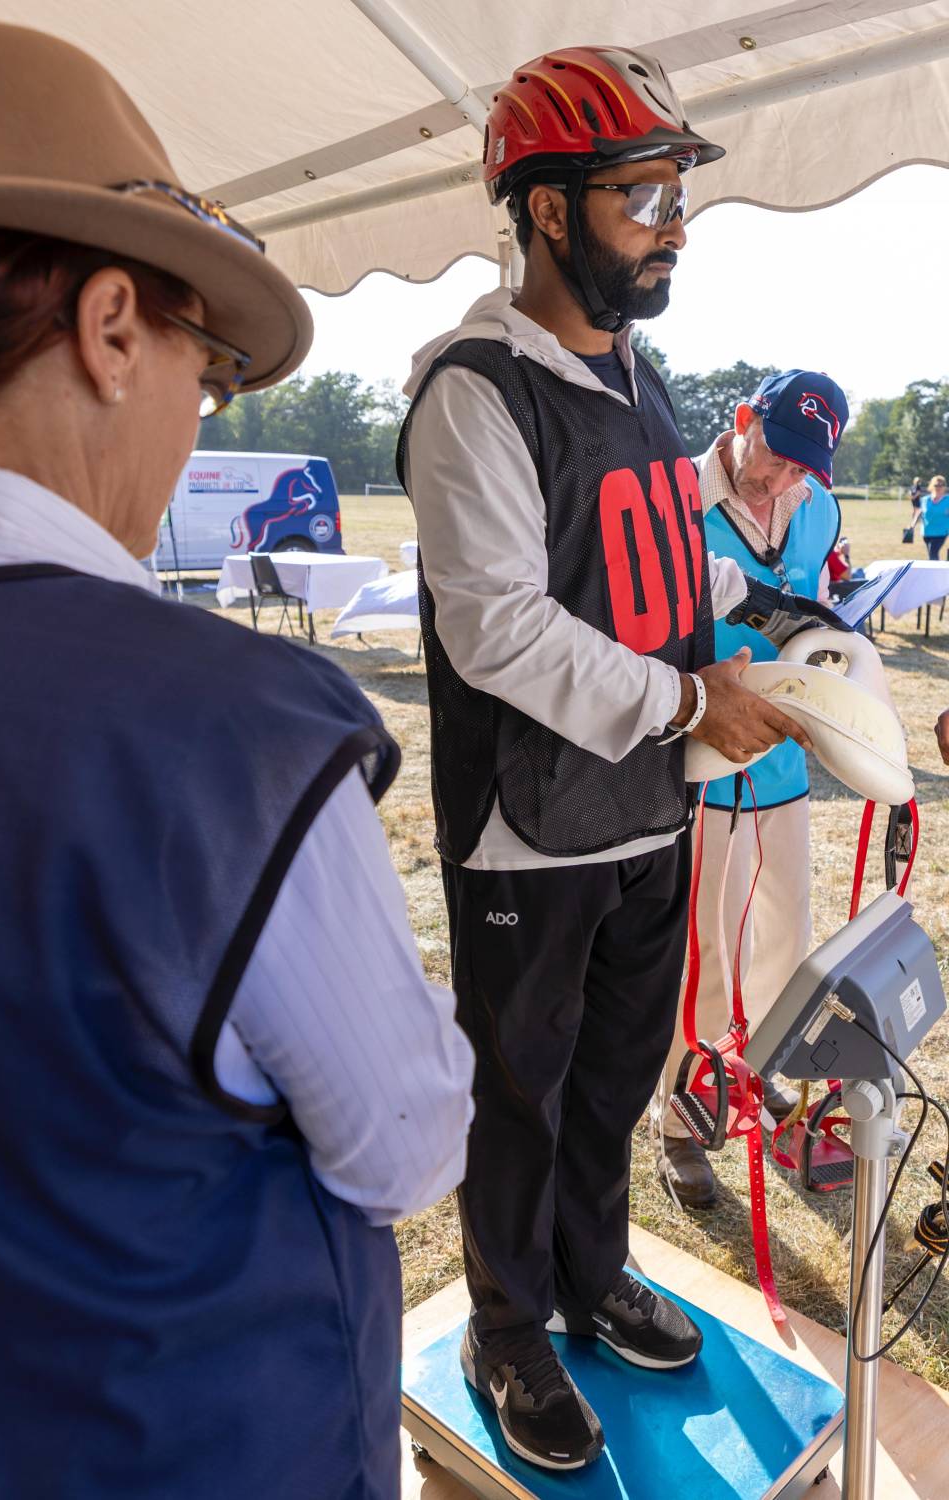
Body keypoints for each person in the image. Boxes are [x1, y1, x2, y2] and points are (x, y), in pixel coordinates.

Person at [0, 22, 474, 1500]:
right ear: (111, 327)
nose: (194, 424)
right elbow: (405, 1145)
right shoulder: (227, 732)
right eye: (206, 380)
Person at [398, 43, 840, 1474]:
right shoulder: (475, 387)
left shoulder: (641, 375)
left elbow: (667, 579)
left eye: (673, 193)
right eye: (644, 193)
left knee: (613, 1080)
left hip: (652, 809)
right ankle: (509, 1330)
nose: (674, 224)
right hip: (532, 828)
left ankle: (593, 1277)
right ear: (543, 210)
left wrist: (763, 658)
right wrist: (683, 703)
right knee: (518, 1097)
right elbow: (496, 633)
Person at [651, 371, 849, 1208]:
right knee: (698, 952)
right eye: (776, 460)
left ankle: (759, 1074)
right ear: (741, 422)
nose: (784, 483)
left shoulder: (819, 508)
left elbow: (821, 606)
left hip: (785, 767)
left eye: (807, 468)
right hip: (699, 760)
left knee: (785, 940)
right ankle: (680, 1117)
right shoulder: (672, 499)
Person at [920, 474, 949, 558]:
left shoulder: (947, 500)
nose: (938, 487)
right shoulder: (925, 500)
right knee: (931, 554)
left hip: (941, 532)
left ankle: (935, 570)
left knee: (933, 552)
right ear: (932, 486)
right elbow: (920, 513)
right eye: (936, 485)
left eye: (941, 485)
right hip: (927, 532)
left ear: (944, 487)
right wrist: (913, 524)